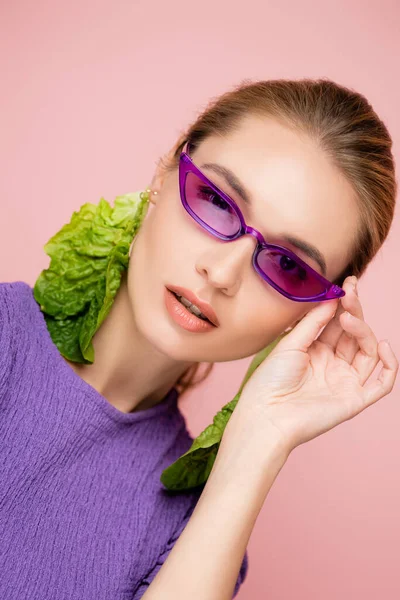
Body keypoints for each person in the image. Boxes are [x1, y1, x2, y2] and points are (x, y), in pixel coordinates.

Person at [0, 77, 398, 599]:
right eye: (214, 200)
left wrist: (262, 437)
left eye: (287, 265)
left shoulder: (199, 530)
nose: (223, 273)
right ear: (164, 176)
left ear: (311, 314)